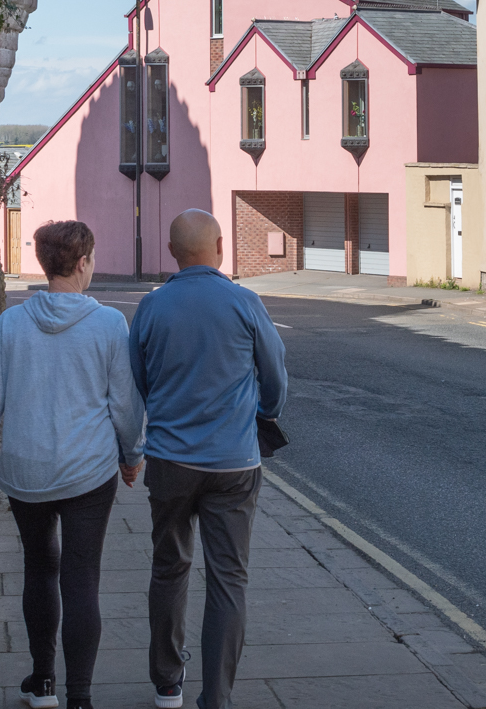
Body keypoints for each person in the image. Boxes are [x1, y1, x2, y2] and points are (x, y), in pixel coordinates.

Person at [0, 220, 144, 709]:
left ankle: (42, 684)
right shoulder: (107, 324)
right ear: (82, 263)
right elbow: (124, 405)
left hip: (26, 472)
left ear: (45, 264)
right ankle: (79, 697)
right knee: (82, 578)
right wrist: (131, 457)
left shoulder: (12, 323)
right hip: (88, 471)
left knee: (39, 569)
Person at [129, 209, 287, 709]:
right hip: (233, 464)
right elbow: (275, 377)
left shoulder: (151, 308)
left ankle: (166, 683)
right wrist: (263, 413)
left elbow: (136, 382)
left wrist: (139, 441)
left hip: (170, 461)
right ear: (220, 247)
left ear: (173, 252)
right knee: (229, 577)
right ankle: (216, 697)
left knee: (169, 567)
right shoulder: (244, 302)